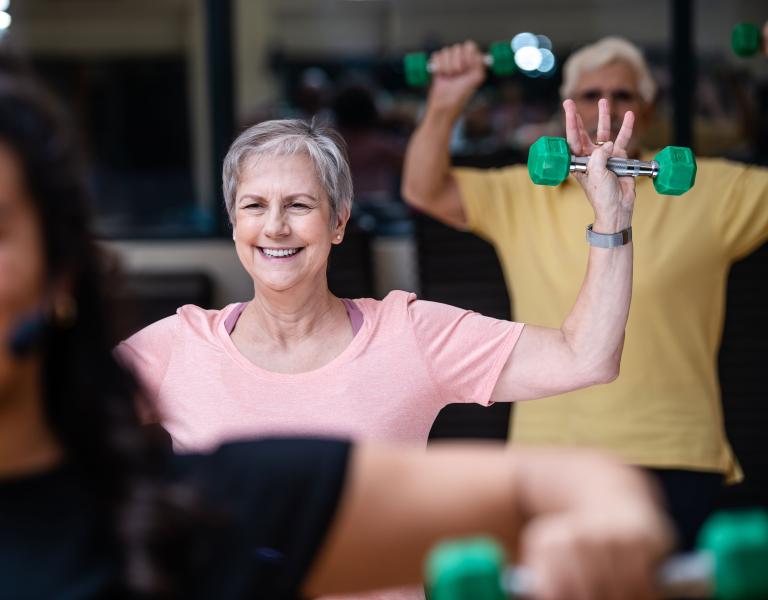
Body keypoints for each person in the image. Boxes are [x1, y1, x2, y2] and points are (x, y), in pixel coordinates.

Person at [0, 71, 674, 600]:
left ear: (339, 221)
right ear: (234, 224)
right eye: (254, 207)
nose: (275, 228)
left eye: (298, 206)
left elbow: (586, 356)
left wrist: (610, 223)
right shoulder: (171, 349)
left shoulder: (408, 333)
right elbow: (65, 448)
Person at [401, 36, 768, 550]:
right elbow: (423, 188)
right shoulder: (523, 191)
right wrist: (446, 98)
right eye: (591, 94)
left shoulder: (708, 188)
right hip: (550, 458)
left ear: (649, 106)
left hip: (675, 453)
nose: (607, 109)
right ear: (564, 106)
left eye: (622, 95)